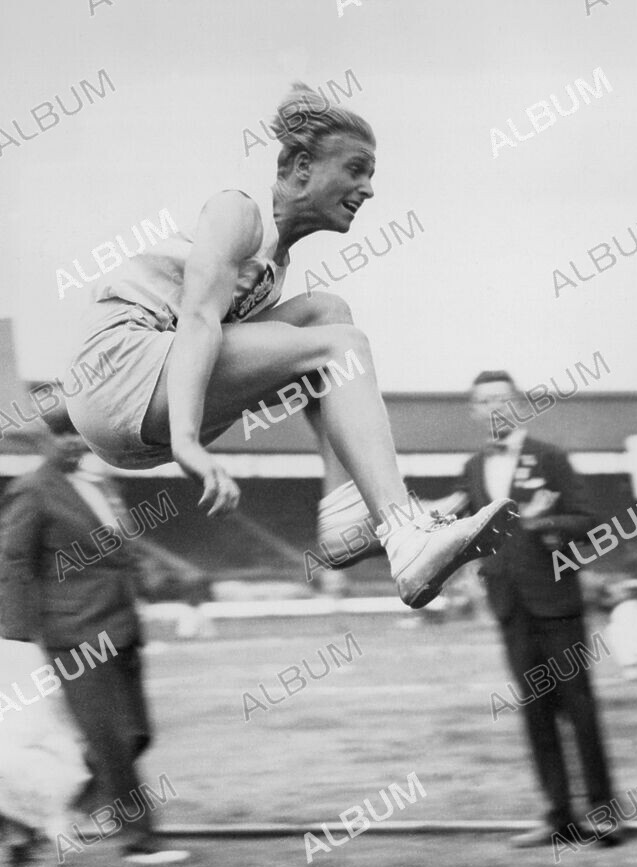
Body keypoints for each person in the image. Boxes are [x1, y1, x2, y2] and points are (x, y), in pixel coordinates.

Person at [63, 83, 515, 610]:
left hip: (141, 419)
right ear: (301, 166)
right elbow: (199, 319)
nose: (368, 188)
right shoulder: (239, 212)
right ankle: (405, 530)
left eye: (370, 175)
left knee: (328, 312)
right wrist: (188, 443)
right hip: (117, 371)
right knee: (339, 344)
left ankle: (348, 509)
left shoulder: (276, 270)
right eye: (356, 169)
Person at [0, 401, 188, 867]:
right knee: (111, 739)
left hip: (123, 625)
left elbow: (117, 554)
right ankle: (139, 840)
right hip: (75, 634)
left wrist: (145, 587)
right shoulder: (33, 491)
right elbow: (14, 561)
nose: (70, 443)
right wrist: (18, 635)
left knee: (138, 733)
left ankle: (54, 808)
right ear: (43, 439)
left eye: (77, 435)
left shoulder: (101, 483)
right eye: (60, 435)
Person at [458, 370, 620, 848]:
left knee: (578, 707)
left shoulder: (551, 458)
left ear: (519, 405)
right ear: (474, 411)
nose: (493, 408)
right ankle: (558, 817)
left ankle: (604, 814)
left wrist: (541, 521)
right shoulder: (471, 467)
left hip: (557, 605)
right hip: (511, 607)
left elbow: (589, 520)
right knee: (535, 712)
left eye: (501, 399)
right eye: (483, 401)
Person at [0, 637, 89, 867]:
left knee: (8, 762)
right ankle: (17, 845)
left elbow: (32, 725)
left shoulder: (21, 655)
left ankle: (39, 847)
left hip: (42, 753)